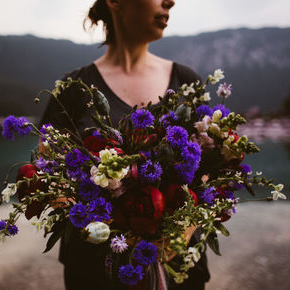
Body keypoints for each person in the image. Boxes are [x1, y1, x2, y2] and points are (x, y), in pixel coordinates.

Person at [39, 0, 210, 289]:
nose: (171, 1)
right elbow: (45, 174)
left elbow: (212, 173)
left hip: (179, 268)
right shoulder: (74, 88)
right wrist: (100, 228)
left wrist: (182, 230)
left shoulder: (186, 83)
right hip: (95, 273)